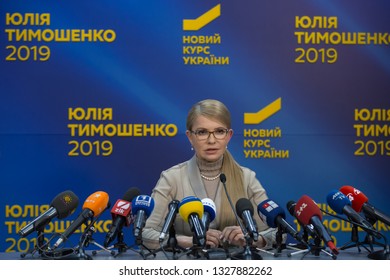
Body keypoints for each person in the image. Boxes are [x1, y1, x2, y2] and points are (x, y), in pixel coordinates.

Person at [142, 99, 277, 250]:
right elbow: (146, 233)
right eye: (202, 132)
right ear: (190, 137)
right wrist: (186, 241)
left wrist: (252, 239)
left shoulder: (247, 178)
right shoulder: (172, 179)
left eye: (219, 131)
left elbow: (277, 232)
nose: (211, 140)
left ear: (229, 136)